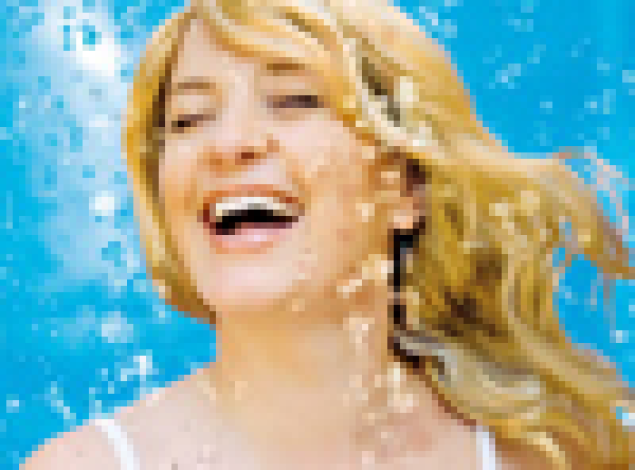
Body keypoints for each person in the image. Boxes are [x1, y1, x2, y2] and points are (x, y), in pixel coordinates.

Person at [23, 0, 635, 469]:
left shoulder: (548, 457)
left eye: (294, 99)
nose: (228, 143)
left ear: (407, 185)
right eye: (189, 118)